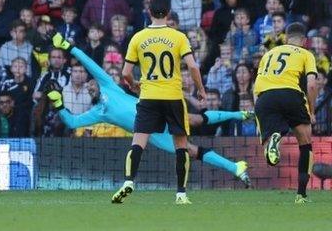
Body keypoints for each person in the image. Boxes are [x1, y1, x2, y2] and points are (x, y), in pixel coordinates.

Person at [43, 30, 252, 187]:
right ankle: (236, 167)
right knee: (188, 150)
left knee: (193, 119)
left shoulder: (108, 85)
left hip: (156, 112)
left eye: (90, 83)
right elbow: (71, 122)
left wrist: (67, 46)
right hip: (150, 134)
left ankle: (240, 114)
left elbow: (89, 63)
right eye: (88, 87)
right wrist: (58, 102)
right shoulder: (98, 112)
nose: (89, 86)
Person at [118, 0, 206, 204]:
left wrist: (133, 84)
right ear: (168, 13)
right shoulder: (178, 37)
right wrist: (200, 89)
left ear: (149, 12)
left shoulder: (138, 38)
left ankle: (129, 181)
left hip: (149, 96)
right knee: (181, 145)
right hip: (173, 96)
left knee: (139, 140)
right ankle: (181, 194)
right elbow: (193, 66)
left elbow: (126, 72)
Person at [253, 22, 318, 203]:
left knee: (270, 141)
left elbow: (255, 87)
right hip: (291, 94)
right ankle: (301, 195)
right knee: (305, 144)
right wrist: (311, 111)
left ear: (286, 38)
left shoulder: (268, 53)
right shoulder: (306, 53)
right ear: (304, 40)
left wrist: (258, 110)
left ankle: (275, 137)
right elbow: (312, 85)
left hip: (265, 98)